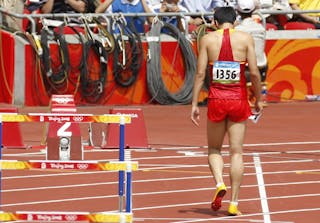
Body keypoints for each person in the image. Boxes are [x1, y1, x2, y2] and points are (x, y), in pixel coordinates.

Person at [190, 6, 263, 216]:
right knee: (236, 152)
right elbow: (255, 73)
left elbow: (200, 73)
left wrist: (194, 103)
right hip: (238, 99)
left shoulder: (207, 40)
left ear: (214, 22)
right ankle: (234, 202)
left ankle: (220, 182)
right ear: (236, 21)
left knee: (214, 149)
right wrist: (258, 99)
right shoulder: (245, 38)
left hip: (216, 99)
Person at [235, 0, 268, 83]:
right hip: (262, 69)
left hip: (245, 71)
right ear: (253, 11)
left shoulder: (237, 30)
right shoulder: (261, 28)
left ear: (238, 12)